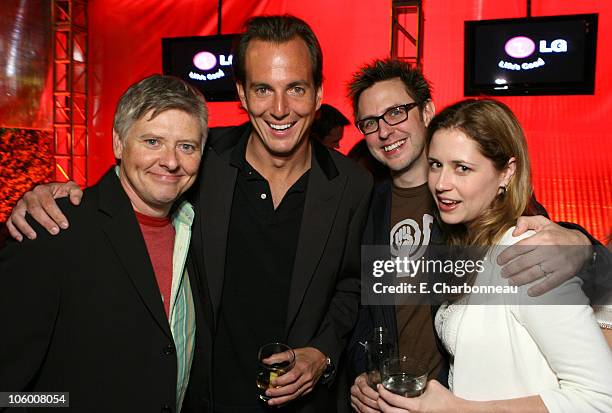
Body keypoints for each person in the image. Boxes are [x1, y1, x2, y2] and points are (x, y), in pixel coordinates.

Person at [6, 16, 372, 413]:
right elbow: (134, 180)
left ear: (318, 95)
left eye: (296, 89)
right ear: (242, 95)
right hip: (207, 401)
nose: (280, 108)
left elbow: (352, 286)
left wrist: (323, 352)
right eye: (263, 89)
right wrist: (51, 194)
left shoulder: (352, 185)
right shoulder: (206, 160)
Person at [345, 59, 609, 413]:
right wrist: (365, 372)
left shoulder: (506, 233)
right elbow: (365, 303)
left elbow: (547, 245)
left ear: (426, 111)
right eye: (370, 122)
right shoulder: (369, 205)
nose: (384, 130)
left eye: (395, 112)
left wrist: (582, 247)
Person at [0, 74, 209, 412]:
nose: (171, 161)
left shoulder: (197, 230)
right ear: (117, 143)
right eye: (153, 142)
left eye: (187, 146)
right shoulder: (54, 228)